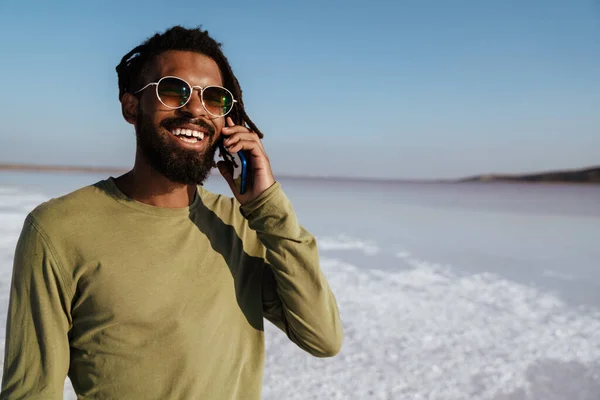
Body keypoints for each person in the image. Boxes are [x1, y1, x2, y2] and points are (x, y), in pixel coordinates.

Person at [1, 25, 343, 399]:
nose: (195, 108)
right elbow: (31, 391)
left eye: (214, 99)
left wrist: (267, 206)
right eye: (173, 90)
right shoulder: (57, 230)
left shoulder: (239, 226)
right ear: (132, 107)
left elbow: (322, 338)